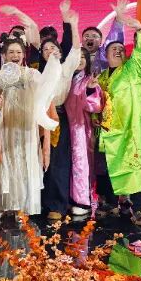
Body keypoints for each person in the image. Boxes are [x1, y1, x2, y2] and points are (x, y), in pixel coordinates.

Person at [97, 0, 141, 226]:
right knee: (109, 166)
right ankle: (111, 203)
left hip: (132, 128)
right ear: (105, 55)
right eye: (112, 49)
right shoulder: (101, 78)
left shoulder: (133, 69)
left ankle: (140, 208)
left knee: (136, 166)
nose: (117, 51)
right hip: (110, 131)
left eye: (120, 49)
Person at [0, 38, 62, 220]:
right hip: (6, 126)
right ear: (4, 55)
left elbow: (46, 90)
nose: (15, 55)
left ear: (23, 55)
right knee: (7, 163)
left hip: (26, 127)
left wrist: (54, 64)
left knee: (25, 162)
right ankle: (4, 204)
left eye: (18, 52)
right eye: (11, 52)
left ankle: (22, 206)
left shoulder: (33, 74)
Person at [40, 11, 83, 221]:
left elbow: (75, 49)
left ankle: (57, 204)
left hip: (57, 117)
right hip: (37, 119)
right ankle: (38, 203)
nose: (49, 51)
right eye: (45, 49)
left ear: (59, 51)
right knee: (39, 160)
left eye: (53, 48)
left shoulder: (65, 68)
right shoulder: (37, 72)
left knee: (58, 162)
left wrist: (73, 24)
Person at [63, 47, 103, 216]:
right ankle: (68, 198)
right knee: (66, 163)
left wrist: (90, 89)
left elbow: (95, 105)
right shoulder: (65, 79)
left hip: (80, 127)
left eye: (83, 57)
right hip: (65, 126)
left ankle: (82, 201)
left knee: (81, 162)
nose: (80, 60)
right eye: (76, 57)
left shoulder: (88, 80)